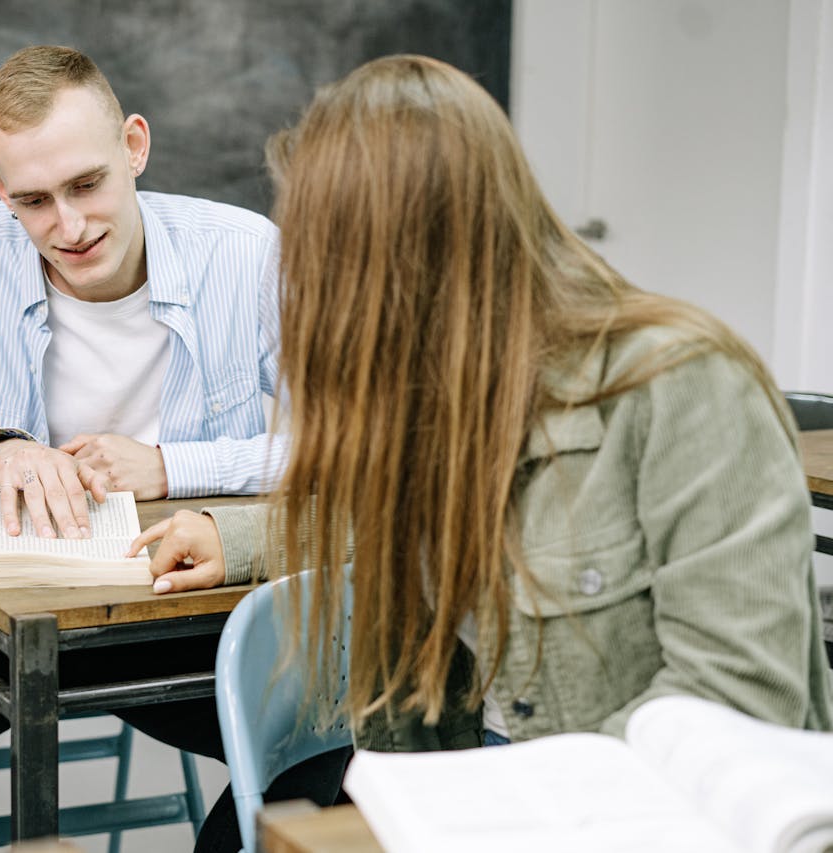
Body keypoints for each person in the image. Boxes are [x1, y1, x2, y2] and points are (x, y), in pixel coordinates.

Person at [135, 54, 833, 754]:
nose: (308, 291)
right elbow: (397, 517)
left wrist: (497, 800)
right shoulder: (441, 386)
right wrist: (242, 539)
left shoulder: (688, 387)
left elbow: (739, 704)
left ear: (418, 258)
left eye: (327, 258)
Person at [0, 45, 345, 853]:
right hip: (6, 613)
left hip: (187, 610)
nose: (68, 227)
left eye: (87, 185)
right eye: (34, 201)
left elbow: (348, 441)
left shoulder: (247, 253)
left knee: (328, 735)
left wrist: (174, 468)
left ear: (134, 147)